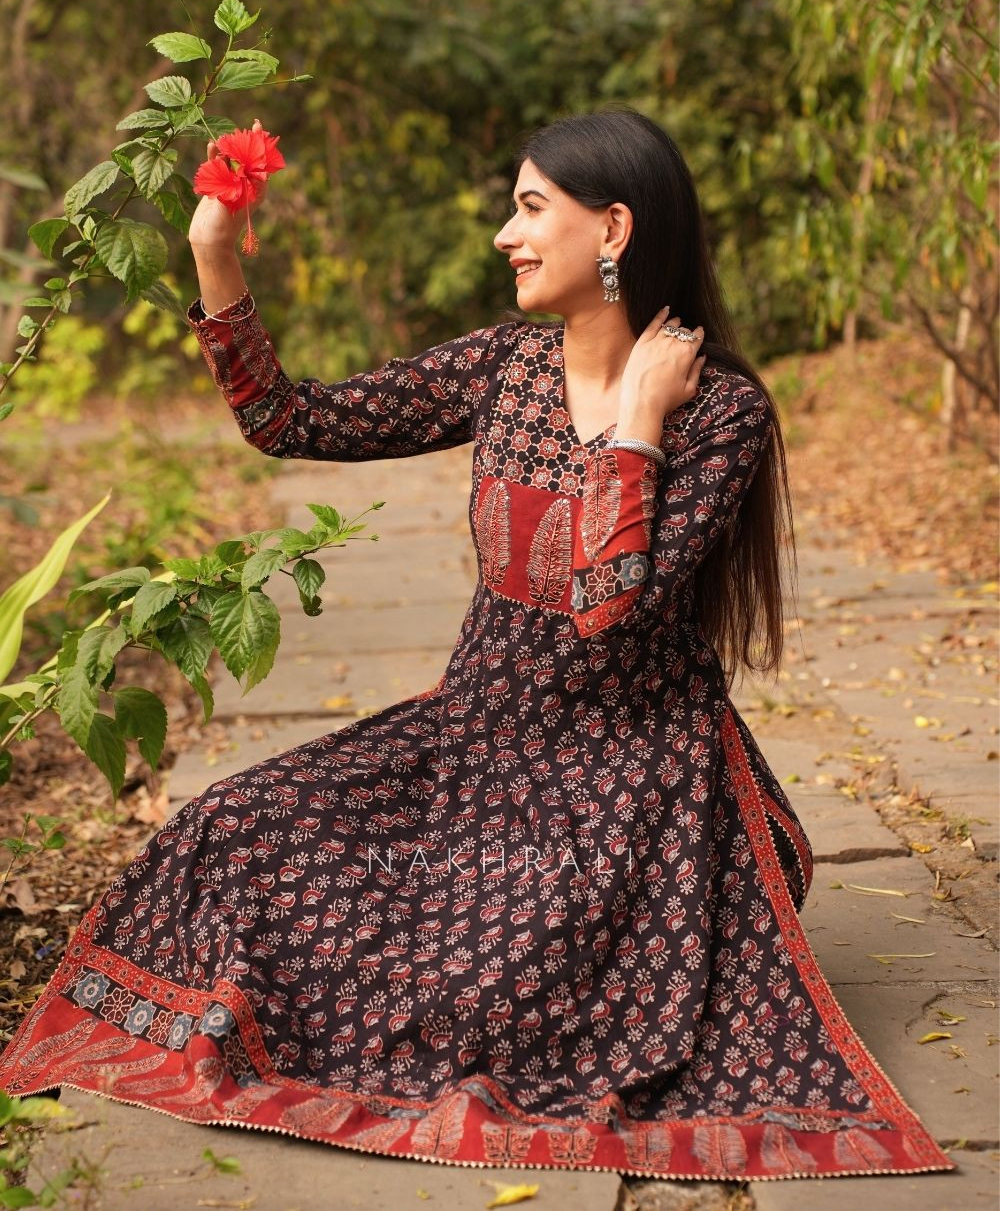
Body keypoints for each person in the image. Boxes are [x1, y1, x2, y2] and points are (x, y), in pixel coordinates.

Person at [0, 109, 955, 1183]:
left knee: (494, 969)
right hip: (475, 737)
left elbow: (607, 607)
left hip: (627, 775)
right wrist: (213, 250)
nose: (506, 234)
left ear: (614, 229)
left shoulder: (719, 411)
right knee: (231, 825)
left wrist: (638, 423)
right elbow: (291, 420)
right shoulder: (503, 365)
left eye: (531, 207)